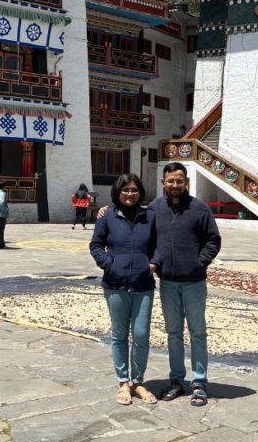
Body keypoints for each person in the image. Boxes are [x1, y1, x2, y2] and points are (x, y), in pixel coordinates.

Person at [151, 162, 222, 407]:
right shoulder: (155, 208)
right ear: (163, 182)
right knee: (173, 334)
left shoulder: (199, 208)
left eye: (179, 180)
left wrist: (198, 263)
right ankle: (177, 380)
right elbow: (143, 233)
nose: (175, 185)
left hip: (193, 282)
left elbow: (213, 240)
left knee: (197, 332)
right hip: (168, 282)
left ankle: (199, 382)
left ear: (186, 182)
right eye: (171, 181)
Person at [89, 173, 158, 405]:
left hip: (143, 285)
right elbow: (96, 244)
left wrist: (153, 263)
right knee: (119, 335)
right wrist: (109, 264)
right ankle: (123, 383)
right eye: (125, 190)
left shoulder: (149, 216)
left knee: (141, 334)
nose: (130, 194)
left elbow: (158, 245)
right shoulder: (107, 216)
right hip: (115, 284)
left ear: (141, 192)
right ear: (118, 192)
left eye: (134, 190)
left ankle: (138, 381)